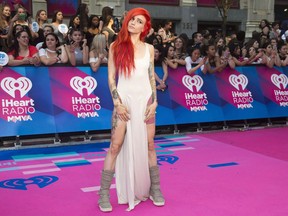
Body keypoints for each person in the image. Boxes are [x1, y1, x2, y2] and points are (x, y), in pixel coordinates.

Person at [98, 7, 165, 212]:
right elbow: (111, 78)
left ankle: (155, 189)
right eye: (132, 19)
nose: (133, 23)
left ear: (145, 28)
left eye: (138, 21)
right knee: (115, 146)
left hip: (145, 101)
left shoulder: (149, 49)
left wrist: (154, 101)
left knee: (150, 145)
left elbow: (151, 76)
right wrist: (117, 102)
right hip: (124, 101)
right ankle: (103, 195)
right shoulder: (116, 46)